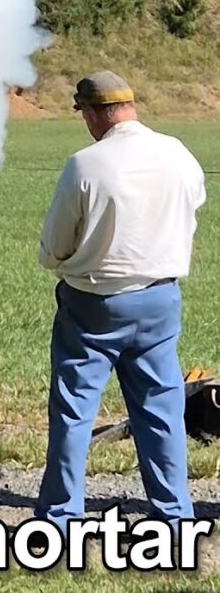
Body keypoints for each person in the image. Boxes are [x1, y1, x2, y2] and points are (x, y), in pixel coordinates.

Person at [36, 71, 206, 530]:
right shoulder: (178, 154)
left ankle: (59, 518)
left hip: (93, 305)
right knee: (161, 410)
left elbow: (53, 248)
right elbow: (195, 203)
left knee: (74, 410)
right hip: (159, 300)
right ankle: (173, 516)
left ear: (92, 113)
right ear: (129, 106)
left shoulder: (85, 165)